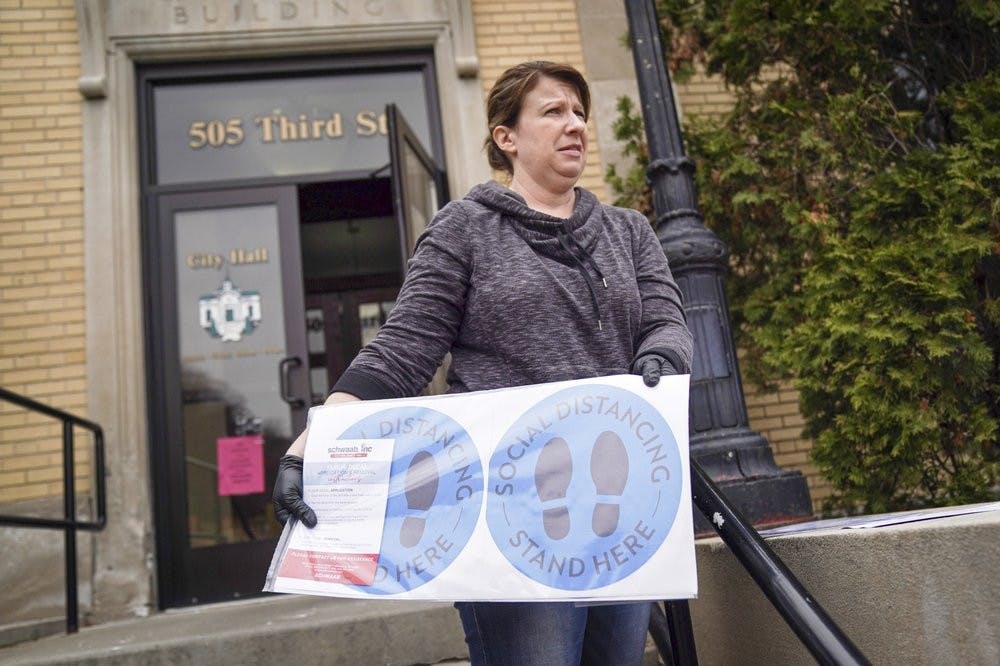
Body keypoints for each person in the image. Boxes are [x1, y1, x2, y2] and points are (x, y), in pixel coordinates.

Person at [273, 61, 693, 665]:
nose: (574, 124)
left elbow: (668, 321)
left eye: (579, 112)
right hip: (513, 514)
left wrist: (660, 357)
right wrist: (313, 442)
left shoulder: (629, 231)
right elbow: (402, 350)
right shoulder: (463, 229)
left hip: (617, 508)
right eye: (553, 112)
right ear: (507, 137)